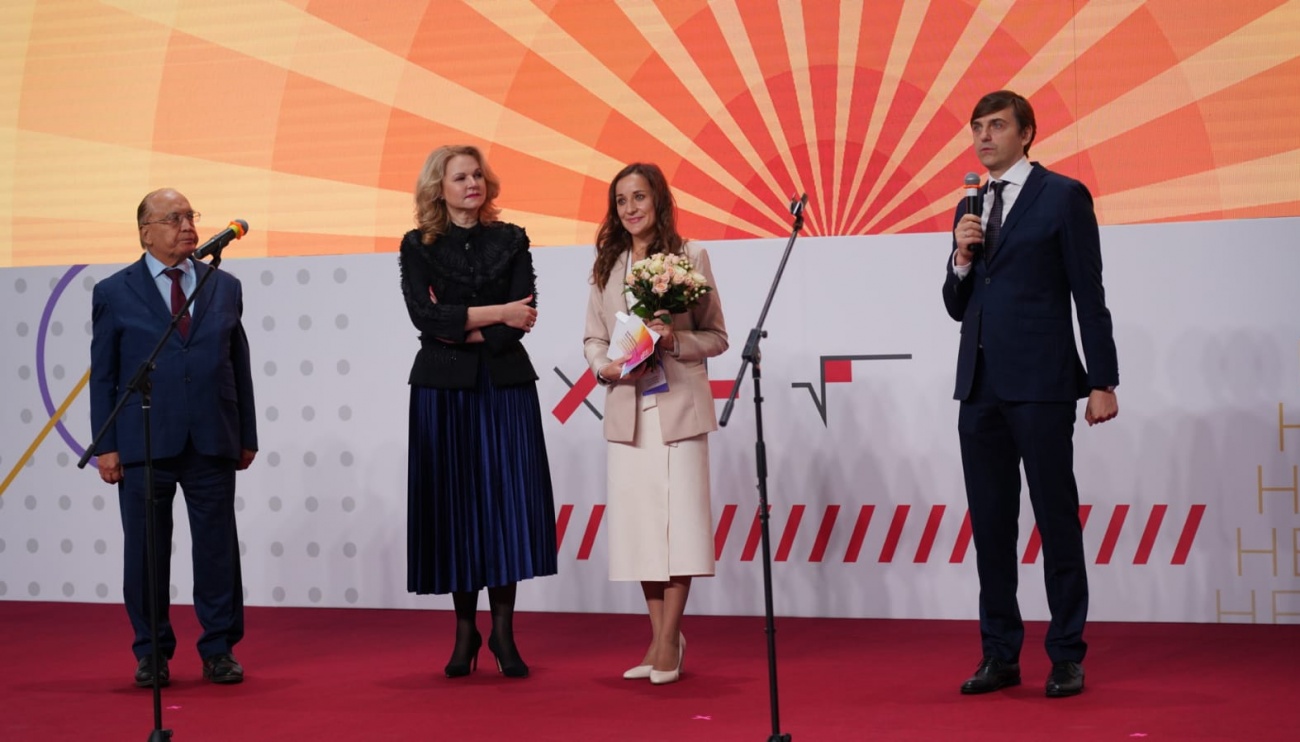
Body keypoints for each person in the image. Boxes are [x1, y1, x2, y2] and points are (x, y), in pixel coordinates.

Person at [943, 90, 1119, 698]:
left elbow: (1089, 294)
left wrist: (1101, 381)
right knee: (992, 527)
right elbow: (957, 304)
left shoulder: (1062, 196)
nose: (984, 136)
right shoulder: (969, 206)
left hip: (1042, 384)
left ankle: (1066, 654)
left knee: (1054, 520)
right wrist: (961, 258)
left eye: (997, 126)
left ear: (1026, 134)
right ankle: (1000, 654)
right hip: (979, 387)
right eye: (977, 127)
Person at [399, 144, 557, 680]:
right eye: (460, 177)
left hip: (504, 384)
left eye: (477, 175)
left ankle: (503, 632)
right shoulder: (418, 245)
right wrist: (495, 313)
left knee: (503, 506)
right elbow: (426, 319)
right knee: (456, 507)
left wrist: (464, 324)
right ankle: (465, 629)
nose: (472, 184)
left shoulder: (510, 239)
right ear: (438, 189)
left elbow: (523, 317)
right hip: (443, 390)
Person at [90, 188, 258, 687]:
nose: (187, 226)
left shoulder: (223, 286)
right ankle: (152, 652)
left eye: (190, 216)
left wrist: (246, 432)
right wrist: (106, 445)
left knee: (217, 550)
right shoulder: (114, 292)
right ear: (145, 232)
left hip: (212, 436)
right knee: (146, 553)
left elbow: (239, 363)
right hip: (143, 440)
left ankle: (219, 649)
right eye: (173, 218)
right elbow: (105, 375)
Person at [583, 163, 728, 685]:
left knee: (681, 526)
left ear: (658, 200)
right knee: (642, 527)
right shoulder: (608, 264)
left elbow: (716, 336)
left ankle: (668, 641)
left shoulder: (690, 256)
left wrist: (673, 340)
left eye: (639, 197)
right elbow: (594, 337)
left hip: (679, 406)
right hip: (629, 406)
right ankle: (661, 637)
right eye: (621, 200)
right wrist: (604, 365)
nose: (630, 208)